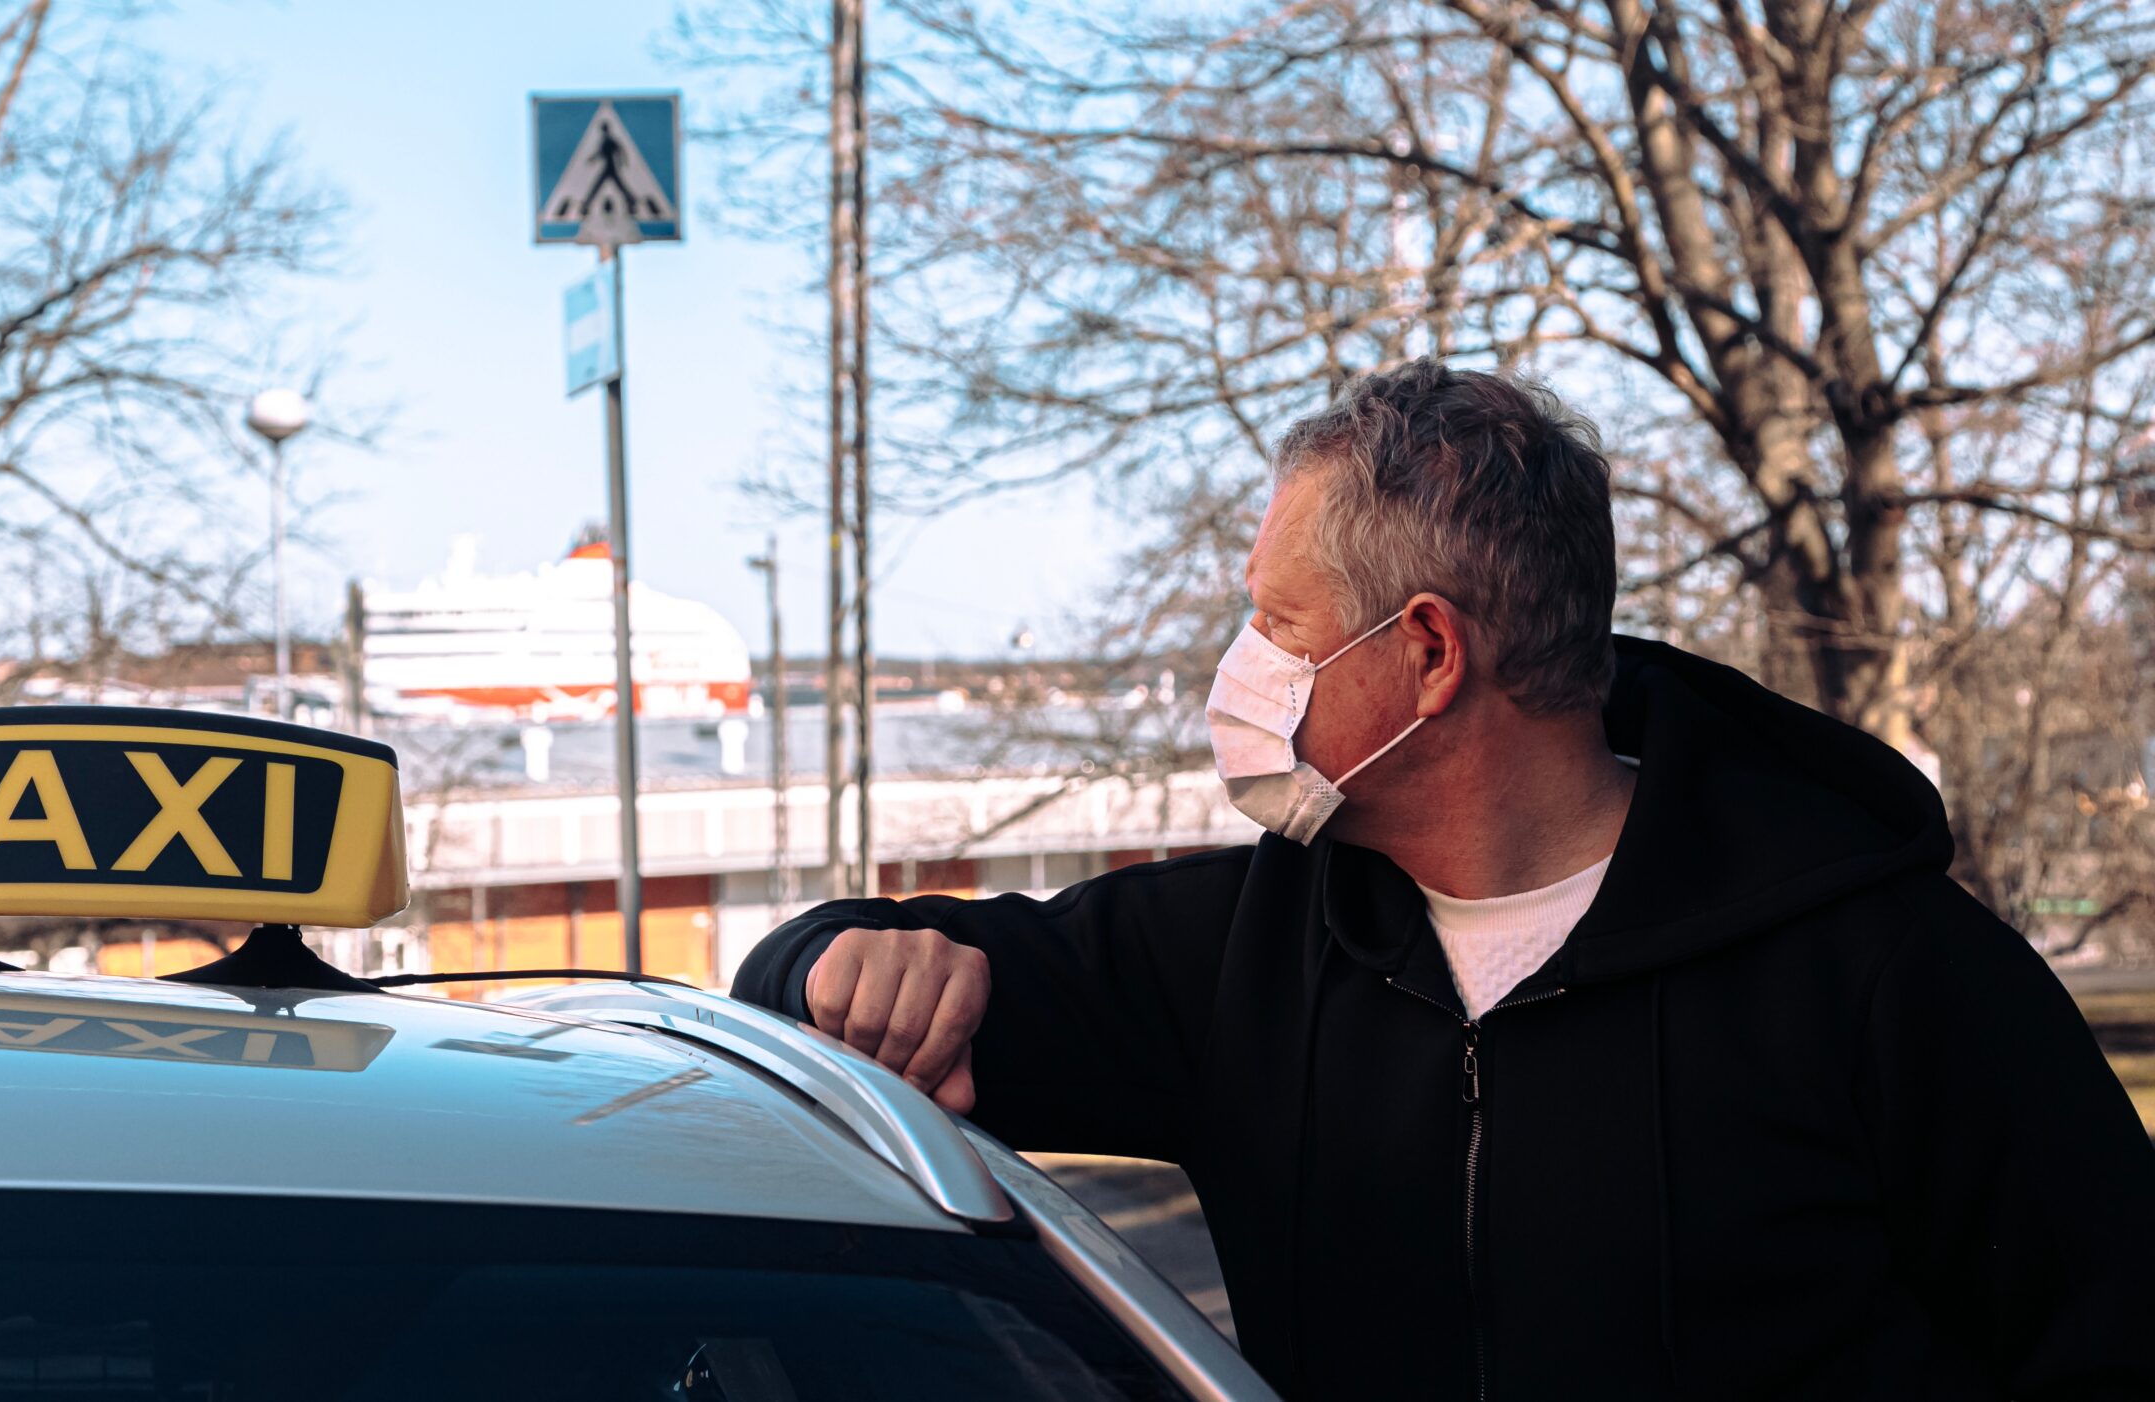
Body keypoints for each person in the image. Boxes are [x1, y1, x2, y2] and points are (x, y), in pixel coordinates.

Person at [733, 361, 2155, 1400]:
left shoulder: (1890, 970)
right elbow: (813, 991)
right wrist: (836, 961)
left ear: (1427, 652)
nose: (1245, 672)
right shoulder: (1248, 951)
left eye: (1279, 624)